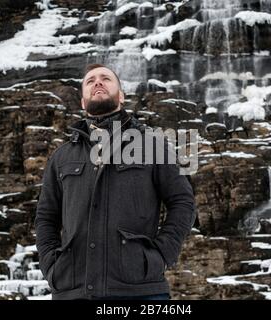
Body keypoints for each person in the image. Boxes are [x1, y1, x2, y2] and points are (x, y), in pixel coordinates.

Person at [34, 63, 196, 300]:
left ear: (121, 96)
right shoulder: (62, 156)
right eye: (90, 81)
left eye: (105, 79)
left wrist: (160, 256)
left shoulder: (153, 145)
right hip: (72, 290)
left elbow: (183, 202)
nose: (97, 82)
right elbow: (46, 216)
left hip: (140, 291)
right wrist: (51, 265)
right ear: (82, 101)